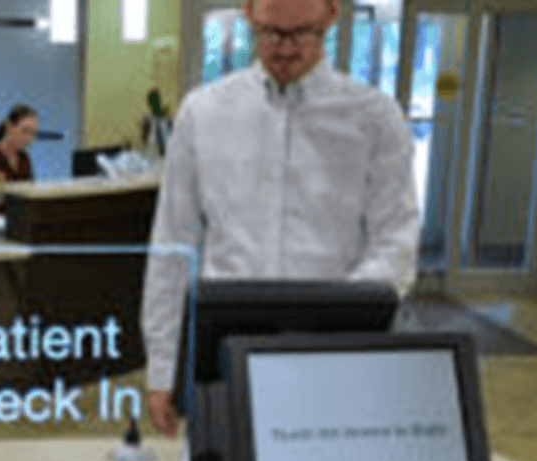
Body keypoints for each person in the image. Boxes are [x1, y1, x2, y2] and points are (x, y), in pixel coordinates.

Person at [142, 0, 421, 437]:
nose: (285, 49)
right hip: (222, 349)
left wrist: (343, 314)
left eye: (303, 33)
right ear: (249, 13)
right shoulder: (203, 113)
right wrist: (161, 370)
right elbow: (173, 243)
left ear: (331, 15)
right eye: (271, 32)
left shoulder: (375, 119)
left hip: (334, 355)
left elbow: (396, 239)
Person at [0, 104, 38, 182]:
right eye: (25, 131)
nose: (29, 138)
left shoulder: (24, 159)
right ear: (9, 128)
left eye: (33, 133)